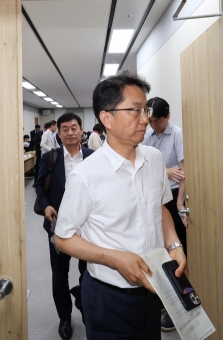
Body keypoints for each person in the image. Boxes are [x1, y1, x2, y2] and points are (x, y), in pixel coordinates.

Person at [55, 71, 187, 340]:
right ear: (107, 118)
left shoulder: (154, 159)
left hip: (153, 288)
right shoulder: (85, 175)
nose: (145, 118)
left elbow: (160, 208)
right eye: (135, 109)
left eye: (146, 109)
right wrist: (115, 258)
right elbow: (63, 238)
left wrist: (174, 244)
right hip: (108, 297)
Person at [34, 113, 94, 340]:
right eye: (65, 129)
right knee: (59, 273)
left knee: (88, 271)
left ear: (81, 130)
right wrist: (47, 206)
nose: (70, 132)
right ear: (58, 133)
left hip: (88, 227)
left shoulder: (92, 156)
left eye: (74, 128)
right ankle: (65, 317)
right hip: (58, 225)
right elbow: (39, 187)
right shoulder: (51, 157)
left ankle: (85, 305)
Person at [142, 97, 187, 332]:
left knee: (175, 254)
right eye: (149, 121)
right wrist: (165, 171)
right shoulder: (148, 134)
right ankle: (163, 302)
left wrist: (180, 204)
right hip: (153, 198)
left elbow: (183, 172)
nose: (152, 125)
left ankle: (179, 307)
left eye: (157, 121)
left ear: (167, 116)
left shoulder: (177, 134)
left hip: (171, 199)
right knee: (156, 252)